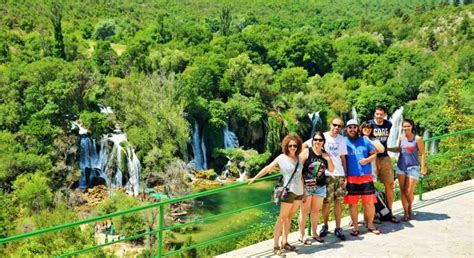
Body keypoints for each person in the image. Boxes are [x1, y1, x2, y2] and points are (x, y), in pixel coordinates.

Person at [248, 134, 304, 256]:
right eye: (290, 145)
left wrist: (303, 192)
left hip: (299, 192)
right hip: (288, 191)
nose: (293, 148)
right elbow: (268, 168)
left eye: (295, 145)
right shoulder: (281, 158)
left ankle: (285, 242)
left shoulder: (299, 158)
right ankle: (275, 246)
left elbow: (300, 176)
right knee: (282, 218)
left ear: (298, 146)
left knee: (289, 218)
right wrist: (255, 178)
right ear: (286, 146)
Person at [304, 117, 347, 241]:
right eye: (335, 125)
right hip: (325, 175)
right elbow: (304, 145)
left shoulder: (342, 139)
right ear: (330, 124)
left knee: (338, 203)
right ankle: (325, 225)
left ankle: (338, 227)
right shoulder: (322, 136)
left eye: (339, 126)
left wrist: (345, 176)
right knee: (326, 203)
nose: (336, 128)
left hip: (339, 174)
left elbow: (343, 159)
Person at [344, 119, 381, 236]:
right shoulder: (343, 142)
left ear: (357, 128)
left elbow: (374, 153)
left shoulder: (364, 140)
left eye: (354, 127)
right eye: (350, 127)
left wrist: (367, 160)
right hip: (351, 177)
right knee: (352, 203)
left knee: (369, 203)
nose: (352, 129)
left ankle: (370, 224)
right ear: (347, 129)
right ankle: (355, 226)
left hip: (366, 176)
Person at [298, 132, 335, 245]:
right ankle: (302, 235)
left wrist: (328, 159)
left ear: (323, 142)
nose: (317, 142)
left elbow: (332, 170)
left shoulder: (325, 154)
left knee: (315, 211)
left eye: (320, 140)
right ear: (312, 140)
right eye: (315, 139)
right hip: (307, 186)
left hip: (320, 186)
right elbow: (298, 170)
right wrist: (302, 187)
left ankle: (314, 233)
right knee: (304, 211)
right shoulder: (306, 152)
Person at [388, 119, 427, 221]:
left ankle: (409, 207)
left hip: (413, 167)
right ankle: (406, 212)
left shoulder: (417, 139)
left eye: (408, 126)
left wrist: (423, 167)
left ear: (412, 127)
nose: (406, 128)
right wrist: (387, 149)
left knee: (408, 191)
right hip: (401, 166)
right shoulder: (401, 137)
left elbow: (422, 153)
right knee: (402, 191)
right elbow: (399, 149)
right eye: (404, 126)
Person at [370, 106, 399, 223]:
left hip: (385, 158)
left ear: (385, 115)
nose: (379, 116)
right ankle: (374, 214)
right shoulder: (369, 124)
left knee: (390, 184)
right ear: (374, 114)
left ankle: (389, 212)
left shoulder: (389, 124)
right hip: (372, 158)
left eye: (381, 114)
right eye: (377, 114)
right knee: (370, 186)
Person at [360, 121, 385, 225]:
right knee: (359, 196)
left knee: (370, 197)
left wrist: (369, 140)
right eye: (365, 128)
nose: (367, 129)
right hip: (358, 172)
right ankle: (361, 218)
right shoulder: (357, 139)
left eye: (369, 128)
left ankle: (371, 217)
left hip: (371, 172)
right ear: (361, 129)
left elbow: (382, 150)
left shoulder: (374, 140)